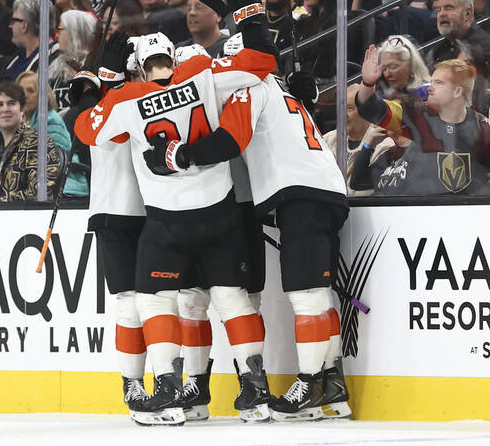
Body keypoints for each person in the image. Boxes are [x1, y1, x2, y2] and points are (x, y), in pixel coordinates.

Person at [75, 24, 279, 424]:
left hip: (167, 222)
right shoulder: (202, 72)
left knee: (155, 300)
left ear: (138, 65)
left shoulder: (128, 97)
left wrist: (107, 82)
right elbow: (261, 63)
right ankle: (256, 390)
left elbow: (87, 131)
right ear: (173, 55)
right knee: (231, 299)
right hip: (220, 210)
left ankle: (168, 387)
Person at [143, 66, 351, 421]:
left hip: (299, 191)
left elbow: (229, 140)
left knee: (307, 295)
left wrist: (178, 154)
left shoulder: (248, 87)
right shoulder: (281, 87)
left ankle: (311, 384)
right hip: (327, 187)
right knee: (320, 293)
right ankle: (332, 387)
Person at [356, 48, 490, 195]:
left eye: (438, 83)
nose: (430, 88)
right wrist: (368, 83)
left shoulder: (485, 130)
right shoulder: (416, 116)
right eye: (431, 82)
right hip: (413, 210)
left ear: (457, 91)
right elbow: (371, 108)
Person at [0, 80, 67, 201]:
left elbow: (38, 195)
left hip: (25, 216)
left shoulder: (40, 144)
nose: (5, 109)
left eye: (11, 103)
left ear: (22, 109)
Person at [425, 0, 490, 82]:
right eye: (438, 10)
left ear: (467, 13)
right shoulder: (438, 50)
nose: (441, 14)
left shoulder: (488, 48)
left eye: (448, 8)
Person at [3, 0, 55, 79]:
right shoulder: (17, 58)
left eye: (13, 21)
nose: (10, 26)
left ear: (24, 26)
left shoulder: (53, 61)